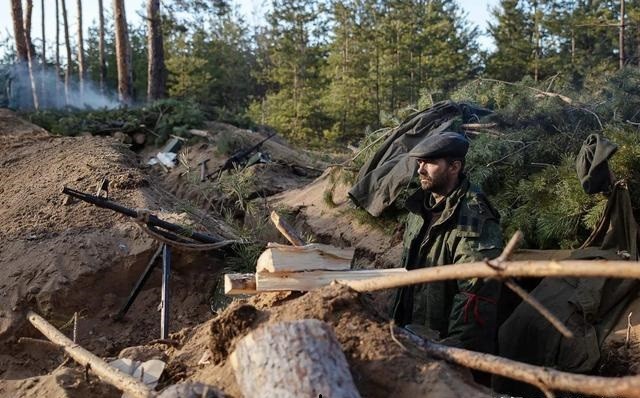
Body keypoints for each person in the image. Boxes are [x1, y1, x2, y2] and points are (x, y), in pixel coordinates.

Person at [393, 131, 504, 356]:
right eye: (420, 162)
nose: (420, 170)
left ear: (454, 167)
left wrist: (455, 350)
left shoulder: (473, 215)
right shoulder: (419, 208)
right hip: (410, 335)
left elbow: (475, 294)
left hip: (443, 345)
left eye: (430, 163)